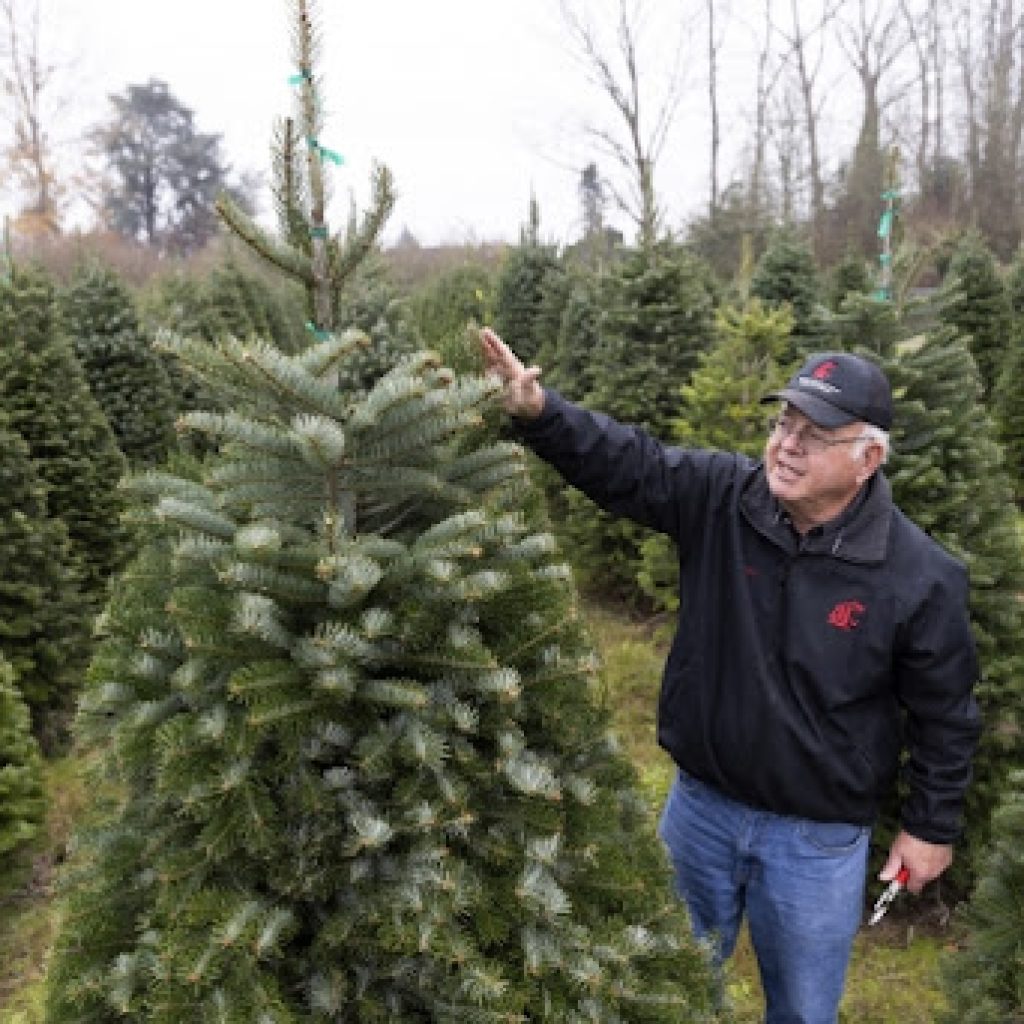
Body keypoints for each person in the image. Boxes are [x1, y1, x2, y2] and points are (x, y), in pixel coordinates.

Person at [479, 327, 980, 1024]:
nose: (786, 445)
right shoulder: (724, 499)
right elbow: (631, 464)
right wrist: (540, 413)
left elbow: (945, 715)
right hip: (699, 813)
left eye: (815, 434)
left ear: (867, 458)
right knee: (664, 987)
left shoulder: (917, 576)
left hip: (816, 839)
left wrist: (930, 826)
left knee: (802, 1011)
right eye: (785, 423)